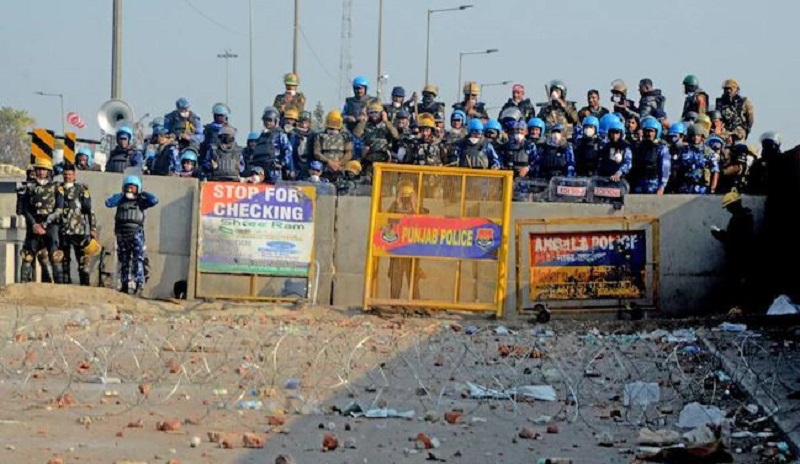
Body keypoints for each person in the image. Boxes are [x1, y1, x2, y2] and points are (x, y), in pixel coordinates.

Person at [105, 176, 158, 296]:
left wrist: (142, 193)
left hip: (136, 233)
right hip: (121, 233)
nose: (130, 190)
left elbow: (154, 200)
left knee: (137, 259)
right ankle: (124, 284)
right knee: (124, 260)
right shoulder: (120, 200)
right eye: (128, 187)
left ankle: (139, 284)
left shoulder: (141, 201)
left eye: (132, 188)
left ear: (137, 188)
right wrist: (121, 195)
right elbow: (108, 203)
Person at [19, 158, 64, 283]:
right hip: (34, 225)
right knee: (28, 256)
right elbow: (25, 209)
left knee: (55, 256)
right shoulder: (29, 188)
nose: (41, 172)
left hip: (51, 225)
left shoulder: (56, 188)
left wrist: (46, 223)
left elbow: (59, 209)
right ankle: (23, 286)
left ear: (48, 172)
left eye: (44, 170)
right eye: (39, 169)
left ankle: (59, 288)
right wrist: (34, 224)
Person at [711, 189, 754, 311]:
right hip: (741, 256)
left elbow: (734, 240)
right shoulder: (745, 217)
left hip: (739, 258)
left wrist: (719, 234)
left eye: (728, 206)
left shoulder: (739, 219)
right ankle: (739, 307)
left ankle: (739, 308)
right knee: (739, 283)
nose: (728, 209)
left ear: (733, 204)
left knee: (737, 284)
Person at [387, 180, 427, 299]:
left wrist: (414, 204)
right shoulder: (394, 206)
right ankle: (394, 303)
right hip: (398, 250)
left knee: (413, 281)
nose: (406, 198)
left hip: (412, 250)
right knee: (396, 280)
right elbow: (388, 219)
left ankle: (415, 303)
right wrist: (398, 202)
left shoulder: (419, 207)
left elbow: (424, 219)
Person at [59, 164, 98, 286]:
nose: (67, 177)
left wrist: (93, 228)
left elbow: (89, 210)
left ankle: (84, 287)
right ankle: (65, 287)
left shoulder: (81, 189)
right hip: (63, 230)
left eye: (70, 175)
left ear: (74, 176)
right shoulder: (58, 189)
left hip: (79, 231)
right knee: (64, 261)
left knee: (82, 261)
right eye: (65, 175)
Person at [251, 107, 294, 182]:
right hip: (261, 171)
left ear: (276, 121)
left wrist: (282, 163)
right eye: (265, 120)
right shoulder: (262, 135)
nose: (267, 122)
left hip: (274, 170)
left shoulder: (280, 134)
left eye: (270, 120)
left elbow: (288, 150)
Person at [629, 116, 670, 194]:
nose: (649, 134)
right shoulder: (639, 147)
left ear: (656, 132)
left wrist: (661, 186)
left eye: (651, 131)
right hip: (640, 183)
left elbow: (665, 168)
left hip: (654, 184)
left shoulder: (661, 148)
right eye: (647, 131)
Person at [314, 110, 353, 182]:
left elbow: (349, 153)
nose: (333, 123)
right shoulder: (320, 135)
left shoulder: (345, 136)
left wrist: (340, 163)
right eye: (331, 121)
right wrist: (329, 162)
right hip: (324, 169)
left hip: (340, 169)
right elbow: (316, 152)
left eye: (336, 121)